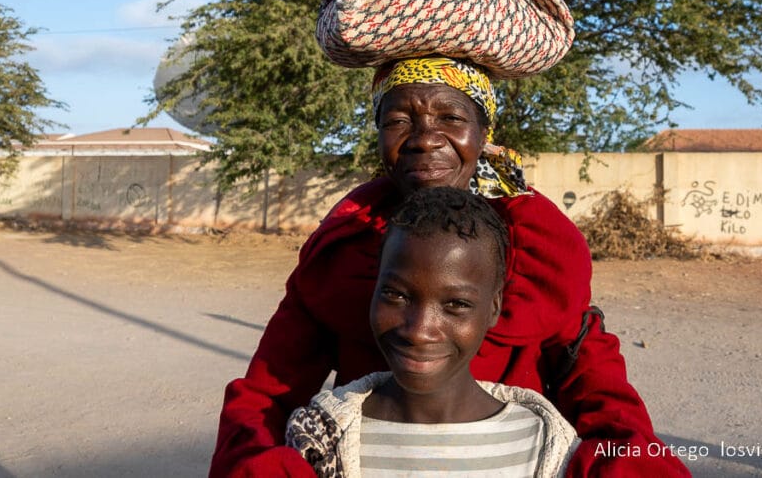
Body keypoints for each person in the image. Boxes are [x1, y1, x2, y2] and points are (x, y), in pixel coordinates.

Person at [210, 56, 690, 477]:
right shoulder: (340, 255)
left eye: (451, 117)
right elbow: (264, 398)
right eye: (399, 120)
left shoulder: (539, 258)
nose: (424, 139)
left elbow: (606, 406)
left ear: (484, 135)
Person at [284, 185, 580, 477]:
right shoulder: (319, 438)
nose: (419, 331)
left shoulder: (543, 444)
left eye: (456, 304)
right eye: (396, 295)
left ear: (494, 307)